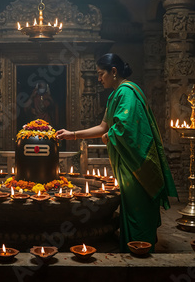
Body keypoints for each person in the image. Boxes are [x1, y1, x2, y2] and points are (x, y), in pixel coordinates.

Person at [56, 53, 178, 252]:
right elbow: (104, 126)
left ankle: (142, 251)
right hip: (127, 161)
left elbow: (126, 127)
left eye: (101, 74)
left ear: (113, 71)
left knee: (138, 207)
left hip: (136, 163)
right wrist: (73, 135)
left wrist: (109, 136)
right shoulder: (115, 95)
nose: (98, 78)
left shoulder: (127, 92)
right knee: (129, 205)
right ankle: (133, 248)